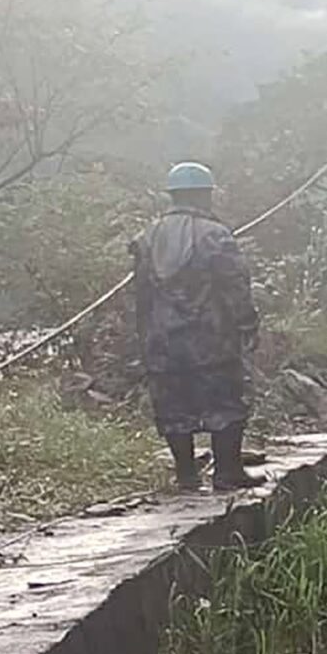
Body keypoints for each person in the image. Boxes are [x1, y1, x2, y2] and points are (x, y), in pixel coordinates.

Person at [130, 162, 263, 492]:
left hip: (162, 340)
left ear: (173, 195)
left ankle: (187, 476)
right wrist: (247, 323)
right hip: (212, 338)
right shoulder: (216, 235)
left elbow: (141, 294)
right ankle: (227, 473)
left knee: (173, 406)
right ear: (205, 195)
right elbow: (235, 286)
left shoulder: (146, 237)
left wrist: (146, 335)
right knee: (226, 402)